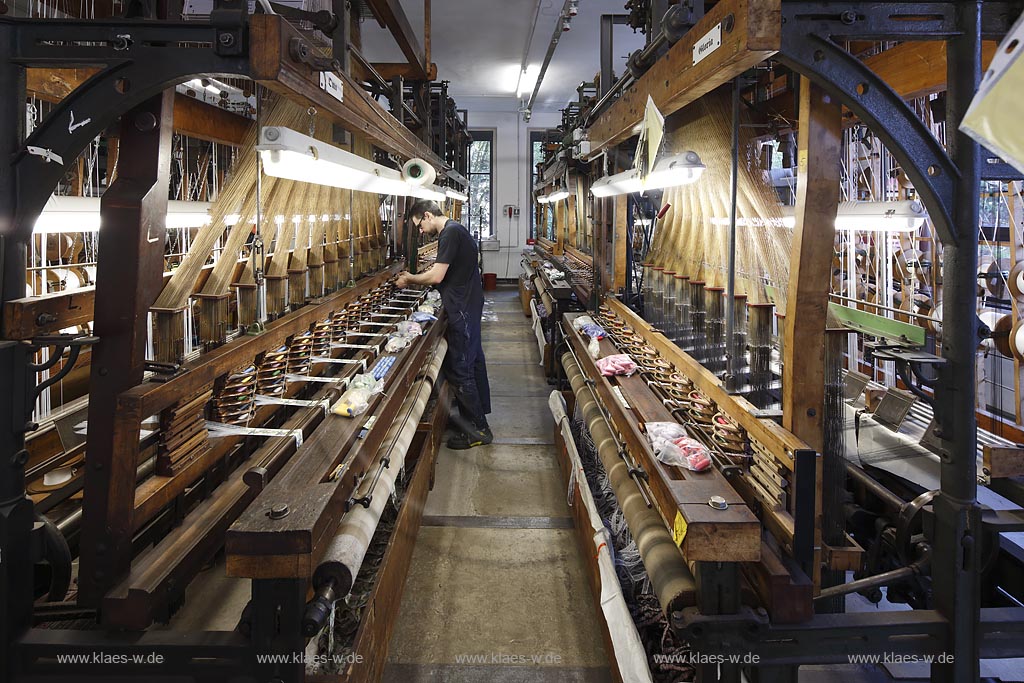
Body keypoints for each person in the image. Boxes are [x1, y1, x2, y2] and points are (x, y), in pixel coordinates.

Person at [396, 200, 492, 449]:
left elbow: (437, 275)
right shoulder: (456, 229)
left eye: (419, 225)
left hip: (462, 308)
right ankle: (477, 417)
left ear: (427, 215)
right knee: (473, 361)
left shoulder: (448, 233)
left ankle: (479, 430)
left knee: (461, 368)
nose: (420, 231)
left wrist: (410, 279)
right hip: (467, 304)